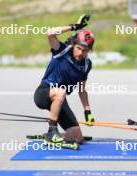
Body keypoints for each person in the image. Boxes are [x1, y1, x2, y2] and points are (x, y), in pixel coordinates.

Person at [34, 15, 95, 144]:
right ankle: (52, 131)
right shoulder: (61, 51)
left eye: (85, 50)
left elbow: (81, 90)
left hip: (60, 101)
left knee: (78, 138)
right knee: (60, 92)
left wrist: (87, 110)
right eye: (78, 48)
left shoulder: (86, 65)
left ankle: (55, 134)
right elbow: (50, 33)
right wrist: (73, 27)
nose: (80, 53)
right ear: (73, 45)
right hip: (44, 93)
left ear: (89, 50)